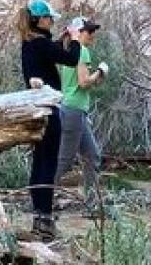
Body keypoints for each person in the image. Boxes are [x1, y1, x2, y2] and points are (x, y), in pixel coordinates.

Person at [19, 0, 82, 239]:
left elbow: (50, 51)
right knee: (48, 164)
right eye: (49, 18)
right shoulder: (41, 44)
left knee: (39, 162)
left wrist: (62, 40)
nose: (52, 21)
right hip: (48, 111)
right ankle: (45, 219)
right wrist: (75, 40)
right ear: (39, 19)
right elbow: (71, 59)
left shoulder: (31, 43)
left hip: (35, 111)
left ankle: (39, 216)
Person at [54, 17, 109, 213]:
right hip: (74, 110)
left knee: (92, 155)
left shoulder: (68, 50)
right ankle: (44, 198)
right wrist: (101, 71)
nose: (92, 35)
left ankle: (92, 204)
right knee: (64, 158)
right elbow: (84, 82)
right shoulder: (81, 51)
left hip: (72, 109)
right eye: (88, 31)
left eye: (92, 31)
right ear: (78, 32)